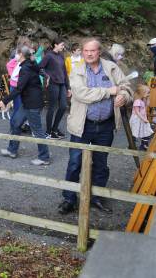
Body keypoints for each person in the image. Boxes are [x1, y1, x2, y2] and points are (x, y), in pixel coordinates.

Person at [58, 38, 132, 215]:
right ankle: (69, 198)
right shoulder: (77, 70)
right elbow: (81, 93)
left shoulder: (112, 68)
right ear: (82, 52)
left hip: (105, 126)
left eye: (93, 50)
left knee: (101, 164)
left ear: (99, 52)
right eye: (86, 51)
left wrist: (124, 96)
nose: (89, 54)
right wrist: (109, 91)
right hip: (82, 125)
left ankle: (95, 197)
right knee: (75, 162)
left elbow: (126, 87)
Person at [0, 46, 51, 165]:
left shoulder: (26, 68)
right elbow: (40, 70)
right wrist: (46, 76)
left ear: (21, 55)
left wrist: (4, 100)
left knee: (37, 131)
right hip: (27, 102)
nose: (14, 56)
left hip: (32, 104)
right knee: (16, 123)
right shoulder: (30, 63)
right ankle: (12, 150)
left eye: (16, 54)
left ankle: (44, 157)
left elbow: (19, 88)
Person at [39, 39, 70, 139]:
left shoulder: (61, 56)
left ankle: (55, 129)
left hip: (62, 85)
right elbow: (39, 68)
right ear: (55, 45)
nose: (63, 47)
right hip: (53, 84)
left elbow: (64, 72)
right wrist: (47, 76)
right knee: (52, 108)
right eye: (61, 45)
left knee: (63, 106)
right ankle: (48, 132)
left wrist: (68, 87)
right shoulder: (48, 55)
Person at [6, 37, 32, 131]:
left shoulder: (26, 53)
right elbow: (9, 65)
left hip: (22, 84)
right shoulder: (16, 53)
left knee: (22, 107)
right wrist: (14, 76)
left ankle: (19, 125)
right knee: (17, 107)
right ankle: (14, 127)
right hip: (16, 84)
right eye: (28, 45)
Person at [130, 84, 154, 150]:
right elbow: (137, 112)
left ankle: (144, 145)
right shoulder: (137, 101)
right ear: (142, 93)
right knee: (135, 131)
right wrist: (143, 119)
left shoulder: (143, 100)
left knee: (145, 130)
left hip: (142, 118)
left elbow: (148, 104)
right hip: (137, 119)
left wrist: (147, 97)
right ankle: (132, 144)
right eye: (147, 92)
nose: (149, 94)